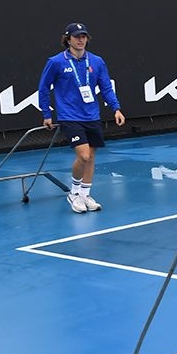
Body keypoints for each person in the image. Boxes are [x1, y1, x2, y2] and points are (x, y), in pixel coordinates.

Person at [38, 22, 125, 213]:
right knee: (83, 155)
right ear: (68, 39)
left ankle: (85, 195)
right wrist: (46, 113)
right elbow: (44, 89)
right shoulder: (56, 62)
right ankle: (74, 193)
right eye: (76, 36)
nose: (80, 40)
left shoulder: (96, 61)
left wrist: (116, 108)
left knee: (91, 157)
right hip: (69, 116)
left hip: (92, 114)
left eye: (83, 36)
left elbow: (106, 87)